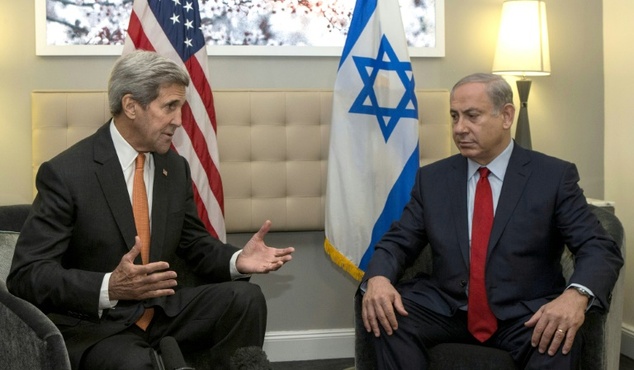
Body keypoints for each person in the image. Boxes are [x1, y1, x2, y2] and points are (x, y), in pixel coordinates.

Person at [7, 50, 294, 370]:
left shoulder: (175, 167)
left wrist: (236, 260)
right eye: (170, 107)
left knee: (245, 301)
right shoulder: (67, 174)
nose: (179, 121)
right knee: (135, 363)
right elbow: (26, 275)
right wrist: (109, 286)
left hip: (161, 310)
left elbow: (194, 243)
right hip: (99, 325)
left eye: (181, 107)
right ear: (131, 106)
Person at [360, 73, 623, 369]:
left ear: (506, 116)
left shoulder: (552, 177)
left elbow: (598, 247)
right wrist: (379, 278)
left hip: (524, 314)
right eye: (454, 116)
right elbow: (399, 240)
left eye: (472, 116)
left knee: (557, 337)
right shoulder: (433, 179)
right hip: (447, 307)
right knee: (384, 314)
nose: (459, 128)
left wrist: (576, 295)